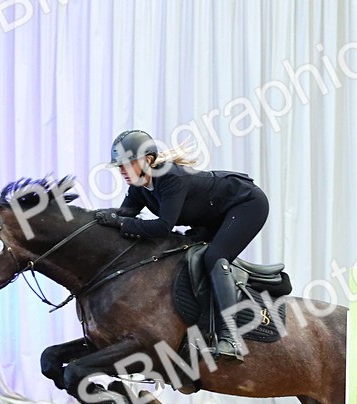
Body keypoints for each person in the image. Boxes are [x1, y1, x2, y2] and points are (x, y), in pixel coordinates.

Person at [95, 130, 269, 363]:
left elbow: (162, 227)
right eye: (119, 167)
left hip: (246, 204)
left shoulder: (169, 178)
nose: (122, 171)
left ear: (147, 160)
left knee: (214, 257)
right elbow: (123, 216)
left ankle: (231, 337)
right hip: (214, 214)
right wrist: (94, 219)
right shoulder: (138, 188)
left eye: (127, 164)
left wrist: (120, 221)